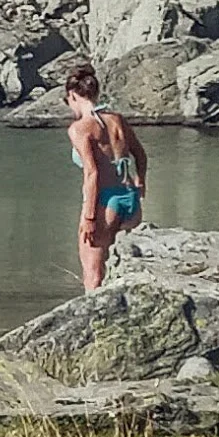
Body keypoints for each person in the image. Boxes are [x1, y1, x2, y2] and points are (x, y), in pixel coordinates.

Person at [67, 61, 147, 292]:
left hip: (104, 202)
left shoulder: (80, 128)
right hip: (130, 200)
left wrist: (90, 217)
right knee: (119, 269)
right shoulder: (117, 119)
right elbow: (140, 154)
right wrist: (141, 182)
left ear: (73, 95)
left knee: (93, 275)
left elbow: (92, 173)